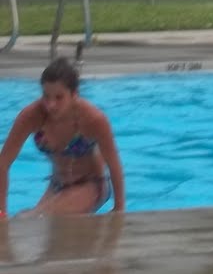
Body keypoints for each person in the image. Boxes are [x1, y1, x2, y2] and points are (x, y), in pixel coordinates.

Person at [0, 58, 125, 218]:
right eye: (46, 96)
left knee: (36, 219)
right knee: (23, 219)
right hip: (56, 185)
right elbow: (3, 163)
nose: (50, 105)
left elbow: (114, 165)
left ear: (74, 94)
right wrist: (1, 213)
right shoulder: (31, 116)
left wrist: (119, 210)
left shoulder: (92, 120)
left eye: (59, 97)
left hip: (92, 184)